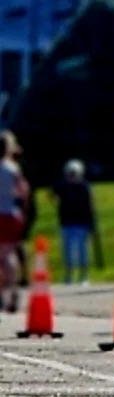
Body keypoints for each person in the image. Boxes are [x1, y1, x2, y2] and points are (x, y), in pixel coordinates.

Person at [52, 158, 98, 285]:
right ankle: (69, 275)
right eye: (70, 172)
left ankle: (84, 276)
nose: (72, 175)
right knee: (67, 250)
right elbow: (53, 196)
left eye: (74, 173)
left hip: (81, 223)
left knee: (83, 250)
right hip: (66, 222)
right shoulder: (62, 186)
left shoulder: (84, 186)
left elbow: (91, 204)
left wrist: (91, 223)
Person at [0, 130, 30, 311]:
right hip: (11, 213)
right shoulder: (13, 168)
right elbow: (24, 191)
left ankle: (2, 295)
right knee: (9, 254)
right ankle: (14, 292)